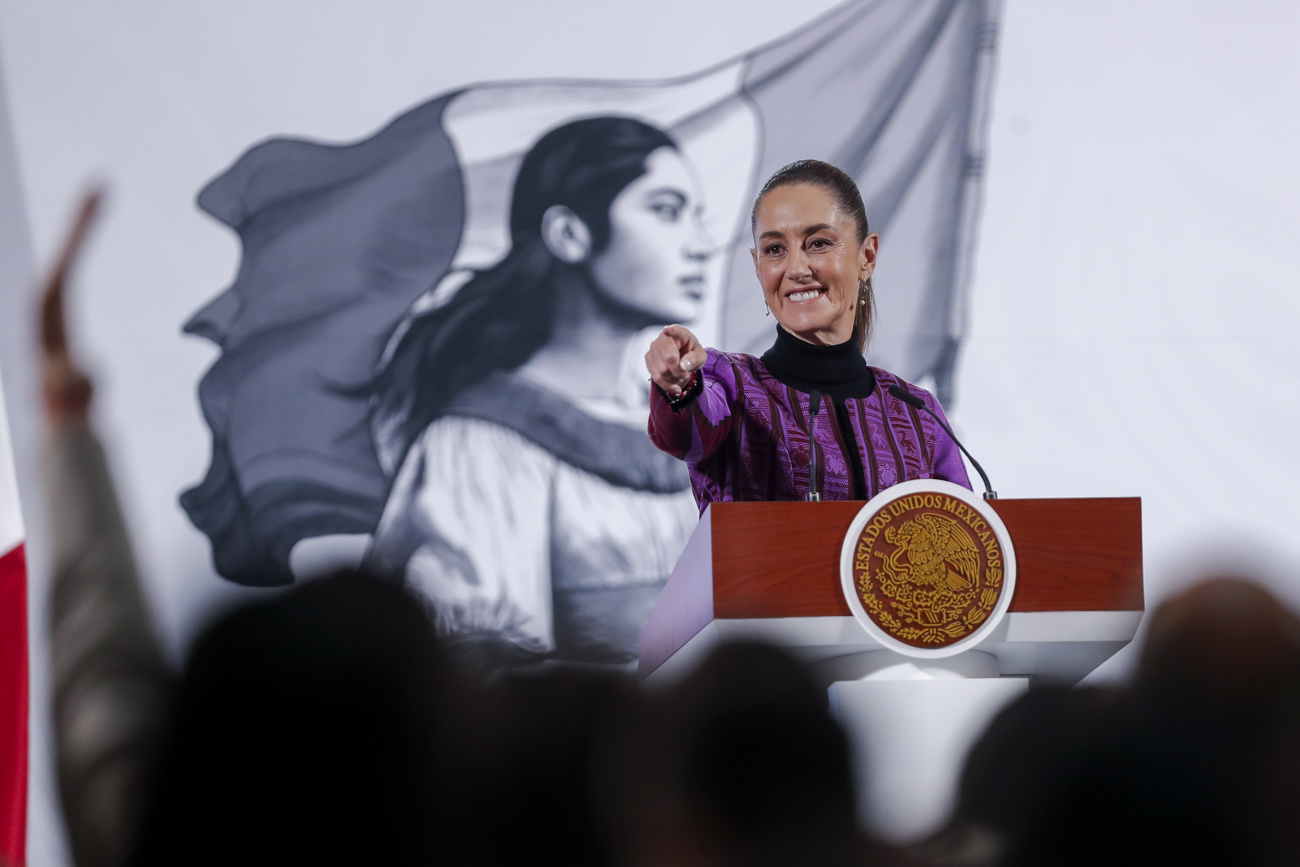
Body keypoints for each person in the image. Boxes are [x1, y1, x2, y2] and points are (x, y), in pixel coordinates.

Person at [365, 116, 713, 667]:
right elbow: (481, 675)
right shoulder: (478, 445)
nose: (702, 245)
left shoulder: (696, 423)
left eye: (698, 218)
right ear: (569, 234)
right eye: (667, 211)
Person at [646, 159, 970, 507]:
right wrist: (679, 387)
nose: (796, 269)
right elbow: (687, 434)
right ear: (758, 267)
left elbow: (969, 530)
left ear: (867, 256)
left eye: (818, 243)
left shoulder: (918, 413)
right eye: (774, 249)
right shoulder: (728, 384)